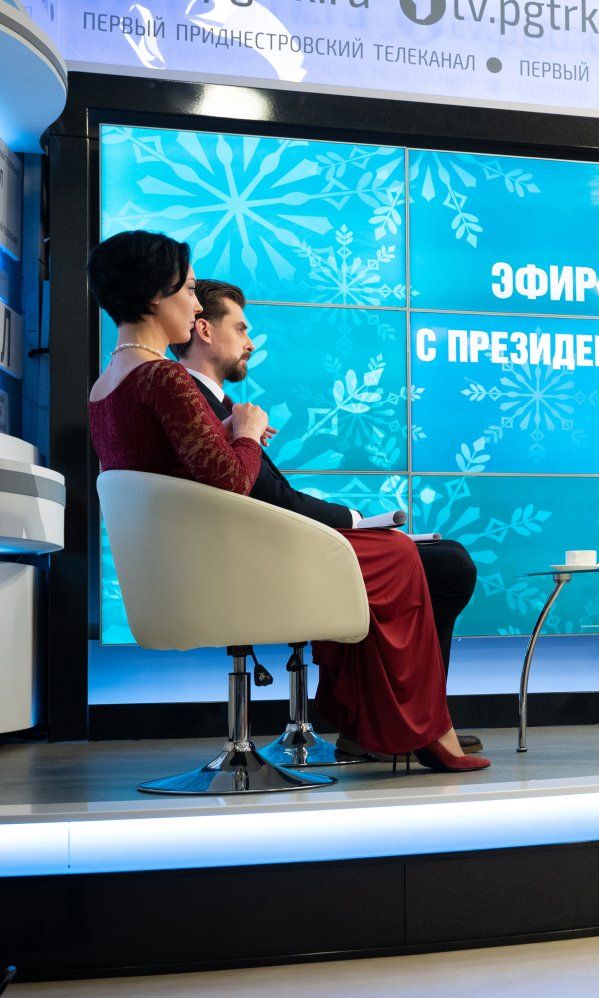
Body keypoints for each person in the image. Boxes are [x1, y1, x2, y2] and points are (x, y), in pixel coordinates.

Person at [86, 230, 488, 773]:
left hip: (182, 571)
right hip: (229, 569)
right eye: (188, 289)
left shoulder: (105, 387)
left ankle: (390, 723)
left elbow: (185, 479)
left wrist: (228, 432)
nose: (195, 303)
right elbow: (232, 482)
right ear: (156, 295)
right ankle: (416, 727)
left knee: (388, 552)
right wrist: (247, 432)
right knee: (395, 553)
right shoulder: (163, 378)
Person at [171, 278, 483, 756]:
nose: (250, 341)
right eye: (241, 328)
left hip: (263, 548)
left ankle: (399, 722)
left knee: (443, 556)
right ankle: (412, 725)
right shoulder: (197, 403)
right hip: (256, 563)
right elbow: (269, 497)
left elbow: (267, 496)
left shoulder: (216, 405)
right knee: (449, 566)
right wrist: (355, 519)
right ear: (205, 330)